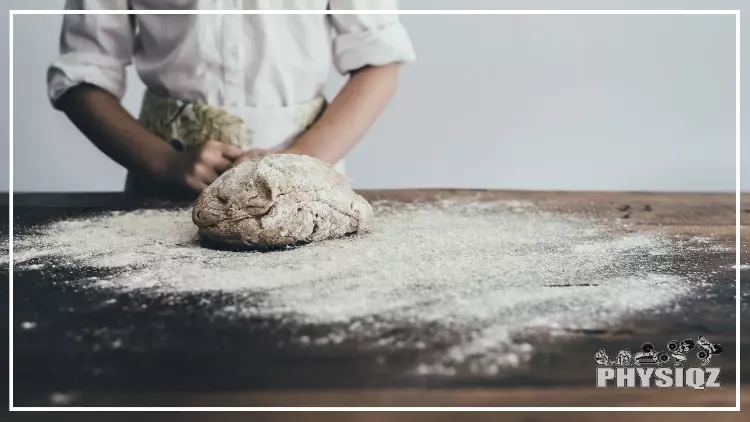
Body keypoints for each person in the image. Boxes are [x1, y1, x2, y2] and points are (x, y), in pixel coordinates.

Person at [47, 0, 416, 197]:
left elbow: (378, 63)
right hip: (164, 188)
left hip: (307, 183)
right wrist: (162, 163)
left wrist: (298, 163)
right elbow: (81, 75)